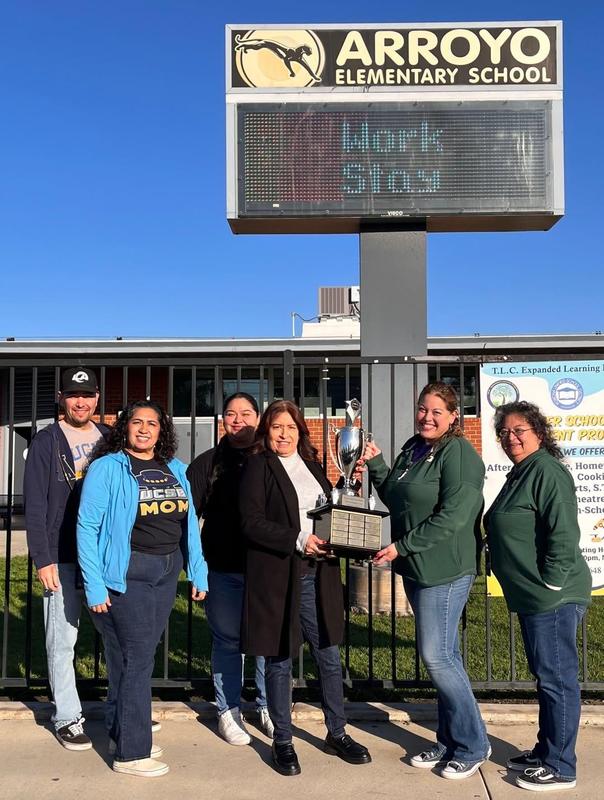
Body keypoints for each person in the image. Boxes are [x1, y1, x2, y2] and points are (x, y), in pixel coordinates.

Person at [364, 382, 490, 780]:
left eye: (437, 411)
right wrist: (378, 465)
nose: (427, 417)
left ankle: (472, 744)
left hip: (445, 571)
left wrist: (402, 547)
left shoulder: (460, 455)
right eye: (422, 408)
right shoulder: (414, 448)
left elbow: (454, 516)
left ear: (454, 416)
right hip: (419, 569)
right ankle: (447, 740)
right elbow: (399, 498)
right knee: (445, 659)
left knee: (437, 658)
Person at [239, 399, 371, 776]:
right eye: (277, 426)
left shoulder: (313, 467)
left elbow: (332, 509)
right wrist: (298, 539)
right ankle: (283, 739)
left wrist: (352, 484)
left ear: (300, 431)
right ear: (267, 430)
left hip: (319, 572)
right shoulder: (258, 467)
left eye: (291, 427)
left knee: (328, 655)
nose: (284, 434)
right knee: (280, 659)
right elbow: (250, 522)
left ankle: (337, 732)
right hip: (281, 575)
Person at [77, 400, 208, 778]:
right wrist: (94, 584)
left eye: (153, 423)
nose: (145, 429)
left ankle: (121, 732)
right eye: (138, 422)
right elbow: (86, 528)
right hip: (127, 571)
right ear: (125, 428)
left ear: (161, 431)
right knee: (138, 660)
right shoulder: (106, 468)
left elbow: (190, 528)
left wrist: (197, 572)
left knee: (134, 655)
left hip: (167, 571)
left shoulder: (175, 469)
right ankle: (132, 754)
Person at [484, 401, 591, 792]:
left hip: (553, 596)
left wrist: (550, 582)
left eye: (519, 431)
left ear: (539, 433)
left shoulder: (546, 471)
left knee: (557, 679)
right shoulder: (522, 472)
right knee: (546, 677)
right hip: (534, 596)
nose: (510, 438)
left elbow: (563, 532)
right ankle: (546, 750)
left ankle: (561, 766)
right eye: (505, 432)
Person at [24, 366, 110, 750]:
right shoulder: (47, 441)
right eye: (74, 395)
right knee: (62, 640)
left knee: (119, 638)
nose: (81, 401)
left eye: (88, 394)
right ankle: (67, 717)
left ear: (96, 399)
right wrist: (42, 558)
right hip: (61, 556)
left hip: (105, 557)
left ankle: (124, 709)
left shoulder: (109, 437)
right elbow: (36, 505)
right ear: (62, 397)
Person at [187, 392, 273, 744]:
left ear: (258, 418)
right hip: (221, 567)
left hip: (268, 568)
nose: (238, 420)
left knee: (268, 642)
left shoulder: (273, 460)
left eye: (246, 413)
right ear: (222, 420)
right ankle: (228, 709)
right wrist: (195, 567)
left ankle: (270, 705)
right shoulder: (207, 463)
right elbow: (188, 518)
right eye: (230, 414)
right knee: (227, 640)